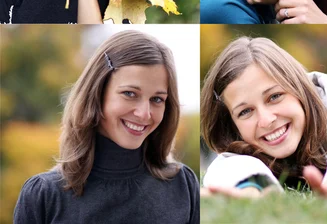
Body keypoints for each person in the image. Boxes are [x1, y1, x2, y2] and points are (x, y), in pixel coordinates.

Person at [13, 30, 200, 224]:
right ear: (97, 93)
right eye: (129, 93)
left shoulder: (182, 185)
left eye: (157, 99)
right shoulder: (45, 195)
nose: (144, 113)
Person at [200, 36, 327, 205]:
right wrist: (252, 187)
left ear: (299, 89)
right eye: (245, 112)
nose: (266, 120)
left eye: (275, 97)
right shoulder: (242, 144)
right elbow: (230, 165)